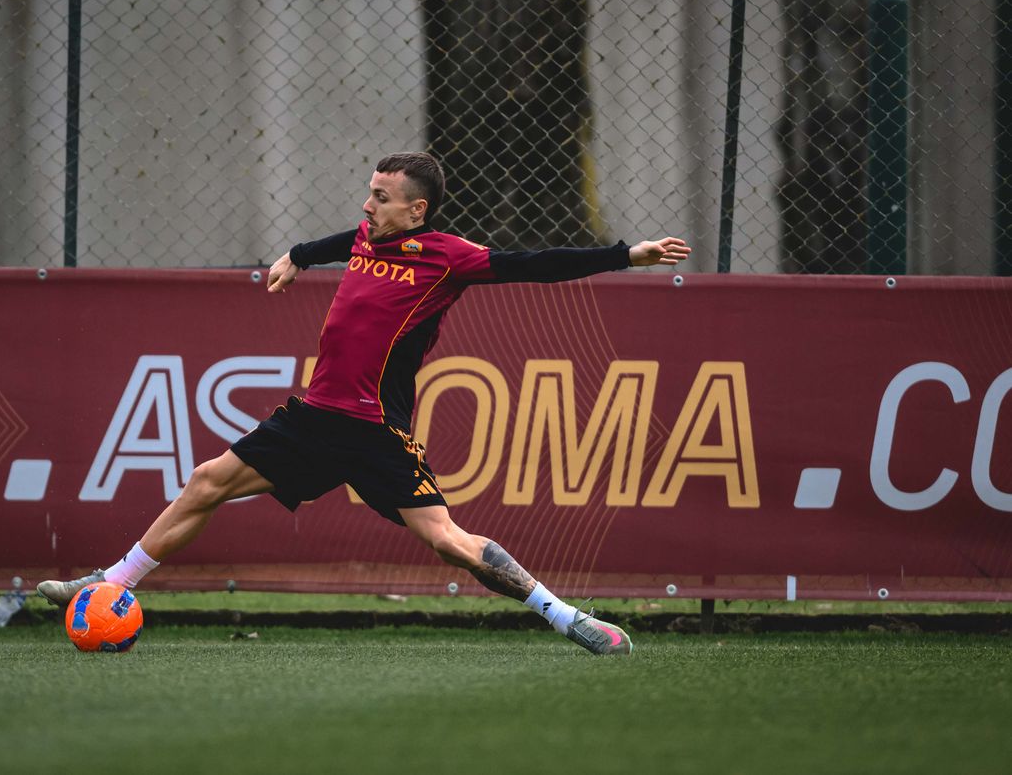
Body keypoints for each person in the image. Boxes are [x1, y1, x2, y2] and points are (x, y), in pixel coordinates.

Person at [40, 152, 690, 655]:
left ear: (417, 210)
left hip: (376, 430)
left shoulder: (449, 259)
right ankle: (110, 585)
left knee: (449, 544)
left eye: (381, 197)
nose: (367, 205)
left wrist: (626, 255)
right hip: (314, 417)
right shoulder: (364, 237)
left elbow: (535, 262)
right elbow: (337, 242)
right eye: (370, 193)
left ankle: (568, 617)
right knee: (206, 481)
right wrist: (296, 255)